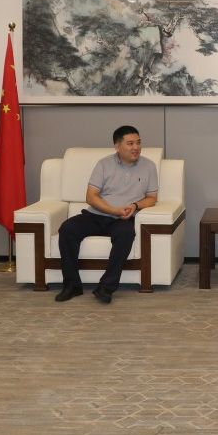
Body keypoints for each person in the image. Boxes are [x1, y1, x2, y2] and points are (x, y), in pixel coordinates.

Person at [54, 125, 158, 304]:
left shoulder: (149, 166)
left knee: (126, 234)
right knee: (68, 228)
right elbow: (91, 196)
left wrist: (135, 205)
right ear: (117, 146)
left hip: (123, 219)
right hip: (97, 214)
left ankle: (106, 287)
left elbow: (152, 198)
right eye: (130, 143)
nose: (136, 147)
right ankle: (72, 285)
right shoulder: (104, 164)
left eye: (138, 143)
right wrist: (113, 210)